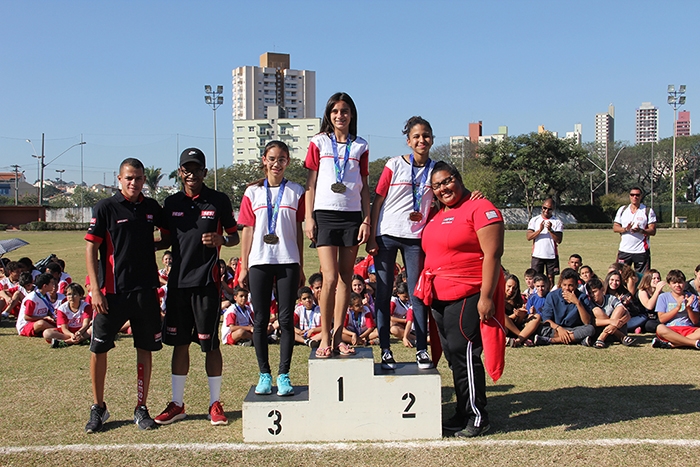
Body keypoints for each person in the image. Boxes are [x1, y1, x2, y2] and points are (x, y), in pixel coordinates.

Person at [415, 161, 505, 438]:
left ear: (459, 178)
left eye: (448, 181)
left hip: (468, 292)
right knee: (454, 357)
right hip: (440, 296)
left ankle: (478, 416)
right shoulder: (439, 213)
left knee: (465, 354)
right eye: (437, 185)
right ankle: (462, 410)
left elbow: (493, 254)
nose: (444, 188)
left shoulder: (480, 207)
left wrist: (486, 296)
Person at [156, 148, 239, 427]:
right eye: (186, 169)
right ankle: (177, 404)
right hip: (178, 284)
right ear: (180, 172)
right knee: (179, 344)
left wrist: (221, 240)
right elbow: (164, 240)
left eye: (196, 169)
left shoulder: (218, 201)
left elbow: (234, 237)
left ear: (205, 172)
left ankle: (215, 403)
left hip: (207, 283)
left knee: (210, 345)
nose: (191, 174)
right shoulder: (171, 203)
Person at [84, 157, 167, 433]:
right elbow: (90, 248)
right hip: (112, 293)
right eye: (129, 178)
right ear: (119, 179)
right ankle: (99, 407)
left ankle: (141, 407)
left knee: (145, 348)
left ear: (145, 180)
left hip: (145, 292)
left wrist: (147, 246)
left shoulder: (152, 208)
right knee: (99, 348)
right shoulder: (106, 207)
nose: (134, 182)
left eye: (139, 178)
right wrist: (96, 289)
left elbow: (167, 237)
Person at [365, 116, 441, 370]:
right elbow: (378, 200)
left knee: (417, 294)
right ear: (408, 141)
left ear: (432, 139)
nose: (422, 140)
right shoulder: (394, 164)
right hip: (387, 235)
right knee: (384, 293)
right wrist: (372, 235)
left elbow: (451, 192)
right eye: (416, 136)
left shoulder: (436, 169)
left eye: (426, 135)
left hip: (416, 239)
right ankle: (385, 349)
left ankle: (421, 348)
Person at [304, 92, 370, 358]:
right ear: (328, 116)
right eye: (335, 111)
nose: (340, 116)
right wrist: (309, 217)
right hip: (325, 215)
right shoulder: (318, 142)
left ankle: (339, 334)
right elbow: (311, 183)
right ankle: (324, 336)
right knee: (329, 278)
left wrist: (366, 219)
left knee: (345, 278)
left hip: (352, 217)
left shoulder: (361, 145)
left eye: (344, 111)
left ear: (351, 114)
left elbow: (364, 187)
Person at [237, 140, 305, 397]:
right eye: (272, 158)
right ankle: (264, 374)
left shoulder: (296, 191)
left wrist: (299, 263)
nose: (277, 164)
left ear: (288, 162)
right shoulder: (252, 193)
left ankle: (284, 374)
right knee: (261, 320)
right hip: (259, 261)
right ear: (264, 160)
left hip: (287, 261)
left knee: (286, 320)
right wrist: (243, 266)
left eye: (282, 159)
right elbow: (248, 231)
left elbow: (297, 229)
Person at [534, 268, 595, 346]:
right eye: (564, 285)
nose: (567, 288)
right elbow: (547, 320)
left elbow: (587, 322)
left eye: (570, 285)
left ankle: (551, 340)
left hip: (574, 328)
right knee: (541, 328)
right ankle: (577, 339)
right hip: (556, 328)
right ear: (561, 284)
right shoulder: (552, 296)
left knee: (590, 329)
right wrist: (559, 329)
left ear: (576, 285)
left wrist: (577, 303)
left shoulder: (582, 297)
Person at [652, 270, 700, 349]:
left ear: (684, 283)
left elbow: (695, 321)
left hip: (688, 329)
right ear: (669, 285)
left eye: (680, 282)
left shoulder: (692, 297)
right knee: (660, 328)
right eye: (674, 283)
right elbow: (662, 319)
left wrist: (688, 308)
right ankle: (693, 342)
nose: (677, 285)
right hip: (671, 330)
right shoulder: (663, 297)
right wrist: (678, 307)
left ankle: (672, 344)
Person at [613, 187, 656, 273]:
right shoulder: (622, 210)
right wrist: (625, 229)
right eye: (632, 195)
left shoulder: (647, 211)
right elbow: (615, 227)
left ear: (641, 196)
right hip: (624, 250)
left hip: (641, 251)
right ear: (629, 196)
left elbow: (653, 231)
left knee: (642, 279)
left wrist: (641, 230)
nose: (634, 197)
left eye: (637, 195)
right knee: (620, 276)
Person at [526, 198, 563, 288]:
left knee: (550, 279)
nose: (546, 210)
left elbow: (559, 240)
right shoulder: (534, 220)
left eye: (549, 209)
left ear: (553, 209)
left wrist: (550, 230)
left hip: (551, 255)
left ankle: (549, 298)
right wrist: (539, 230)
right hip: (537, 255)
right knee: (536, 279)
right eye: (544, 208)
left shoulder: (557, 222)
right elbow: (528, 237)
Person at [587, 276, 634, 348]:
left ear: (602, 289)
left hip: (616, 328)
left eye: (594, 292)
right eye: (590, 293)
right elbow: (592, 322)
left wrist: (616, 323)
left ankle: (602, 338)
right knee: (597, 311)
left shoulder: (611, 298)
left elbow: (627, 314)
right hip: (600, 330)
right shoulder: (590, 303)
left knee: (620, 309)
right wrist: (611, 322)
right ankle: (621, 336)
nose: (592, 295)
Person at [43, 282, 92, 347]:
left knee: (94, 328)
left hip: (83, 330)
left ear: (80, 295)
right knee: (47, 333)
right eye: (69, 294)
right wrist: (71, 335)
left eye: (74, 294)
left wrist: (79, 332)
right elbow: (64, 328)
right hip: (67, 332)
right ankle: (81, 340)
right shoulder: (62, 309)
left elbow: (86, 324)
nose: (71, 297)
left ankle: (66, 342)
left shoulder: (86, 306)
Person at [504, 274, 541, 347]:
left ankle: (518, 341)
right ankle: (522, 338)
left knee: (537, 317)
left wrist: (521, 316)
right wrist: (515, 315)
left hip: (516, 328)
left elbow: (517, 323)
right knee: (502, 317)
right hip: (504, 327)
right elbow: (502, 320)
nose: (511, 290)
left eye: (514, 288)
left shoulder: (518, 300)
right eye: (509, 286)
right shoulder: (497, 299)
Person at [16, 273, 57, 338]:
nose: (54, 285)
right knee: (41, 323)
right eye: (52, 283)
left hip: (40, 320)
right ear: (45, 286)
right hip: (26, 326)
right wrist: (44, 317)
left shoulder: (46, 295)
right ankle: (59, 332)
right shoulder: (32, 299)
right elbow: (27, 317)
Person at [635, 269, 664, 333]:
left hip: (655, 318)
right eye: (654, 278)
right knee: (651, 325)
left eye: (658, 278)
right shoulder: (642, 291)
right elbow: (649, 306)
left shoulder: (661, 293)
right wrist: (657, 291)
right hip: (643, 318)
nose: (657, 280)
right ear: (648, 279)